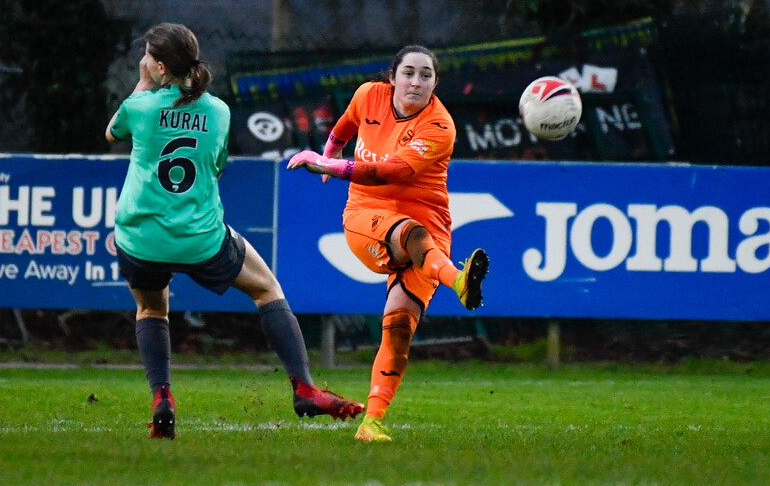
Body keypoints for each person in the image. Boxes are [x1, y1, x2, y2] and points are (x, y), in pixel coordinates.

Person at [105, 23, 363, 439]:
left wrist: (141, 83)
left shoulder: (141, 107)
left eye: (147, 57)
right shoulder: (219, 111)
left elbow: (112, 131)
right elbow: (217, 165)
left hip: (140, 237)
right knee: (267, 289)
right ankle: (304, 388)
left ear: (158, 66)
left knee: (152, 309)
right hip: (200, 237)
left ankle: (163, 399)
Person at [286, 45, 489, 442]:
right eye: (409, 72)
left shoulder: (440, 126)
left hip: (430, 225)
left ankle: (371, 423)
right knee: (409, 234)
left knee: (398, 327)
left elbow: (389, 172)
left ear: (435, 83)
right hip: (367, 216)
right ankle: (459, 280)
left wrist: (331, 165)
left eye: (426, 75)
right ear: (392, 76)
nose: (416, 82)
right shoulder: (368, 95)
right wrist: (330, 151)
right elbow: (344, 126)